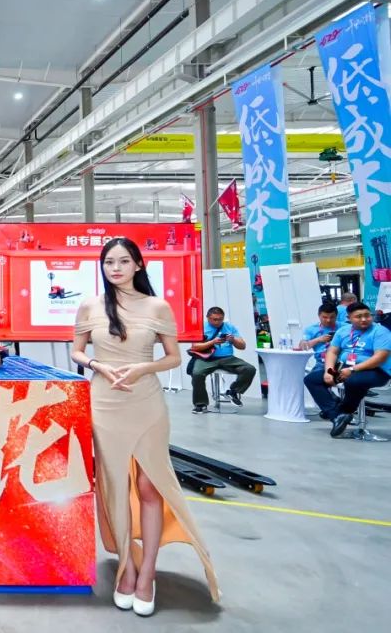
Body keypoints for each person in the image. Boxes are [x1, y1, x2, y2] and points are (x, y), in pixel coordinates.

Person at [72, 238, 218, 615]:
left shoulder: (157, 306)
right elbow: (77, 350)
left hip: (146, 401)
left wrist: (142, 368)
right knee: (115, 486)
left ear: (138, 264)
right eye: (109, 262)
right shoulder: (91, 306)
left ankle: (147, 573)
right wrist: (97, 366)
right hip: (104, 401)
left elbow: (173, 357)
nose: (115, 268)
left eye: (123, 261)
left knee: (150, 485)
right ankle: (126, 567)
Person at [315, 302, 391, 437]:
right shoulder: (343, 331)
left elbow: (380, 358)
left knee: (353, 381)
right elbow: (332, 351)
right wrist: (328, 370)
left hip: (377, 371)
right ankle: (336, 416)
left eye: (367, 315)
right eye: (358, 316)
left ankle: (343, 410)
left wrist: (352, 370)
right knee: (312, 379)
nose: (364, 319)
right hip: (346, 368)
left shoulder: (381, 332)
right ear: (349, 318)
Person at [188, 307, 257, 413]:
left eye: (220, 319)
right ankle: (201, 404)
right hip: (207, 359)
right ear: (208, 318)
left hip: (227, 358)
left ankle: (233, 391)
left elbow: (242, 346)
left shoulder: (230, 327)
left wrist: (233, 340)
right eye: (214, 319)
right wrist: (212, 342)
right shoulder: (200, 327)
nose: (217, 322)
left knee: (250, 369)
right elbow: (195, 346)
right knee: (197, 374)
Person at [300, 303, 343, 419]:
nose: (328, 320)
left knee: (316, 380)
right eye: (325, 317)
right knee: (313, 380)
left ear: (336, 316)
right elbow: (303, 346)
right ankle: (334, 405)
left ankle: (333, 408)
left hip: (340, 364)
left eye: (332, 317)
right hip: (321, 363)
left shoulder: (344, 327)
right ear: (319, 315)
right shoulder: (311, 329)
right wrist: (319, 339)